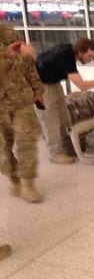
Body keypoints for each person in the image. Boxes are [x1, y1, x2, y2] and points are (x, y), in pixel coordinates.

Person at [35, 38, 94, 164]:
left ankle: (68, 145)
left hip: (53, 83)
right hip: (41, 87)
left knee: (64, 116)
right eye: (90, 56)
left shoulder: (68, 51)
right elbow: (82, 86)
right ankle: (55, 153)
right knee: (50, 120)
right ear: (80, 51)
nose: (91, 60)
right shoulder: (66, 56)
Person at [0, 24, 45, 202]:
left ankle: (28, 183)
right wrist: (24, 57)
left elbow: (29, 68)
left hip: (20, 99)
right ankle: (14, 178)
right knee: (2, 148)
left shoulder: (9, 32)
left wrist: (38, 89)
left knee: (27, 139)